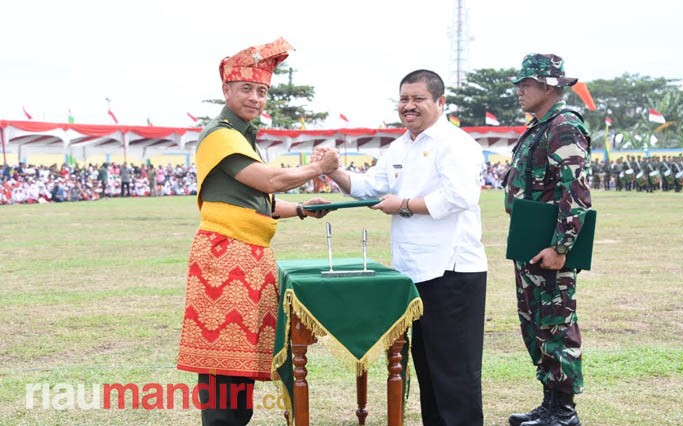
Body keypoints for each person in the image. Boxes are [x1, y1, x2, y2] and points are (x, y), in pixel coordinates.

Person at [175, 37, 340, 426]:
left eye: (262, 91)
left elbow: (252, 203)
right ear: (226, 89)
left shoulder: (242, 134)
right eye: (246, 88)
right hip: (225, 257)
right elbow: (270, 180)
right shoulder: (221, 135)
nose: (255, 98)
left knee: (241, 364)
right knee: (221, 366)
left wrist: (300, 209)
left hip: (246, 256)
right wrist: (320, 168)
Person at [318, 69, 488, 426]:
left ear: (440, 102)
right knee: (427, 368)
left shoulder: (455, 143)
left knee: (454, 372)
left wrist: (405, 204)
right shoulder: (400, 146)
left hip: (452, 270)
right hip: (413, 272)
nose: (409, 107)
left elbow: (460, 197)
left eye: (418, 99)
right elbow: (368, 187)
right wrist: (332, 171)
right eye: (404, 100)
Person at [504, 53, 591, 426]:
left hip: (550, 247)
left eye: (526, 83)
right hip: (530, 243)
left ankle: (564, 411)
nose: (519, 89)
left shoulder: (564, 125)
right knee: (536, 325)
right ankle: (549, 402)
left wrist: (560, 248)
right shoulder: (538, 126)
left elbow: (576, 192)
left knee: (556, 326)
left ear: (548, 86)